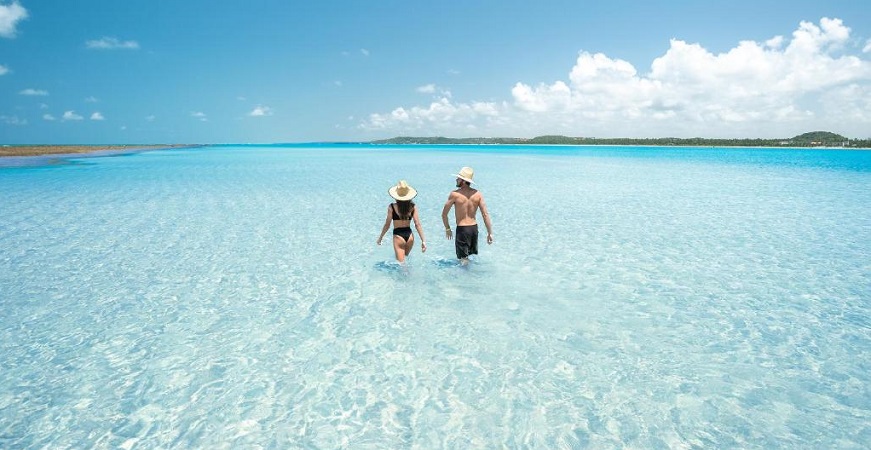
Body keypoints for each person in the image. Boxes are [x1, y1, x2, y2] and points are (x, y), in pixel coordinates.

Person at [441, 166, 493, 264]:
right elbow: (485, 214)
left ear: (464, 181)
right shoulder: (478, 194)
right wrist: (490, 233)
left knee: (463, 261)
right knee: (471, 258)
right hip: (474, 230)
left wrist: (447, 228)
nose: (456, 179)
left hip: (462, 230)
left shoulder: (455, 194)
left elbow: (444, 214)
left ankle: (464, 278)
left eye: (458, 178)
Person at [377, 180, 427, 263]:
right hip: (410, 236)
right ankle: (408, 275)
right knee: (405, 260)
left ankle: (408, 275)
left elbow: (387, 225)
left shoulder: (392, 207)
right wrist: (423, 241)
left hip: (398, 236)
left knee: (402, 265)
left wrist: (380, 237)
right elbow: (417, 224)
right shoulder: (413, 207)